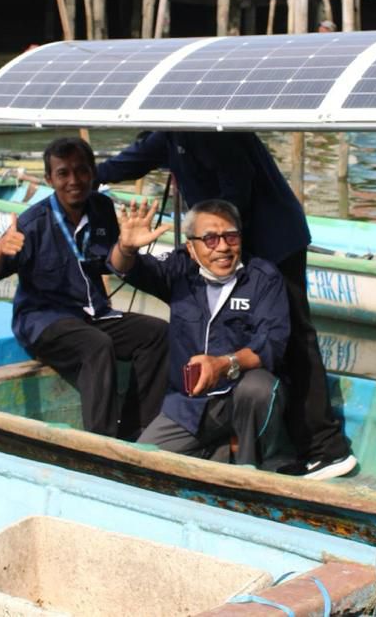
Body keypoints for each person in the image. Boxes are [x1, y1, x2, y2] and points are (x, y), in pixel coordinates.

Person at [97, 132, 356, 479]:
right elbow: (128, 162)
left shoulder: (213, 131)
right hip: (214, 239)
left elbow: (237, 188)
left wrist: (217, 240)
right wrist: (89, 176)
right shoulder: (168, 135)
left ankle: (325, 447)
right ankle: (222, 437)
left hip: (270, 237)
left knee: (292, 340)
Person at [0, 136, 167, 440]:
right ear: (49, 179)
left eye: (81, 171)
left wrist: (127, 247)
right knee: (96, 345)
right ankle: (102, 443)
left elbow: (113, 263)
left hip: (93, 313)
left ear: (93, 173)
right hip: (45, 320)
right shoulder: (32, 223)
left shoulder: (102, 208)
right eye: (63, 173)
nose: (74, 180)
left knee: (157, 334)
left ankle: (140, 430)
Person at [109, 198, 292, 469]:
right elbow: (125, 269)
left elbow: (271, 343)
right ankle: (221, 448)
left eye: (230, 237)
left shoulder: (263, 278)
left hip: (239, 398)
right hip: (189, 406)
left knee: (259, 388)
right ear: (191, 248)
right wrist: (126, 248)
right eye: (210, 239)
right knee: (142, 465)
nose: (223, 247)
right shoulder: (179, 269)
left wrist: (222, 365)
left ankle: (256, 467)